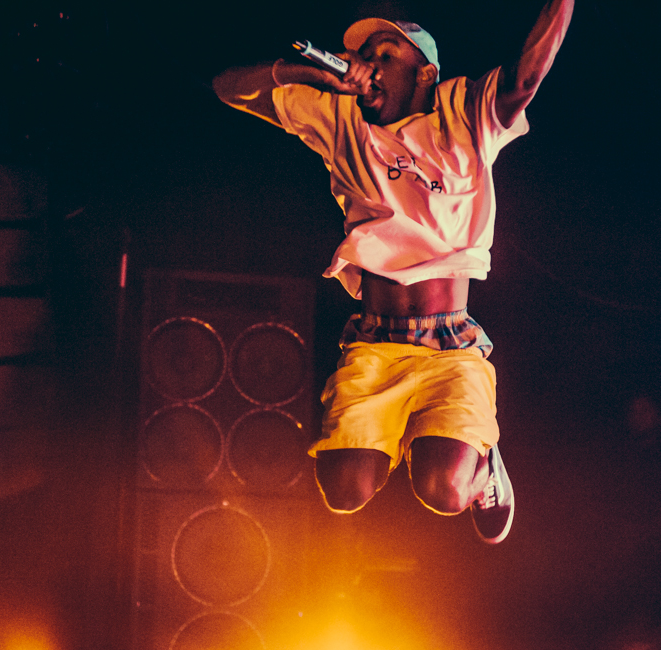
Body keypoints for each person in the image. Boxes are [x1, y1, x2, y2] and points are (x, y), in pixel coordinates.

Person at [213, 0, 573, 543]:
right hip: (373, 343)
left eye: (386, 54)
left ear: (424, 72)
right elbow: (226, 87)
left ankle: (480, 462)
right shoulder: (340, 121)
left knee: (443, 492)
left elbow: (526, 77)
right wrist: (310, 72)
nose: (369, 65)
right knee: (343, 493)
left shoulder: (463, 115)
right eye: (360, 56)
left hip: (449, 347)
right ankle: (432, 437)